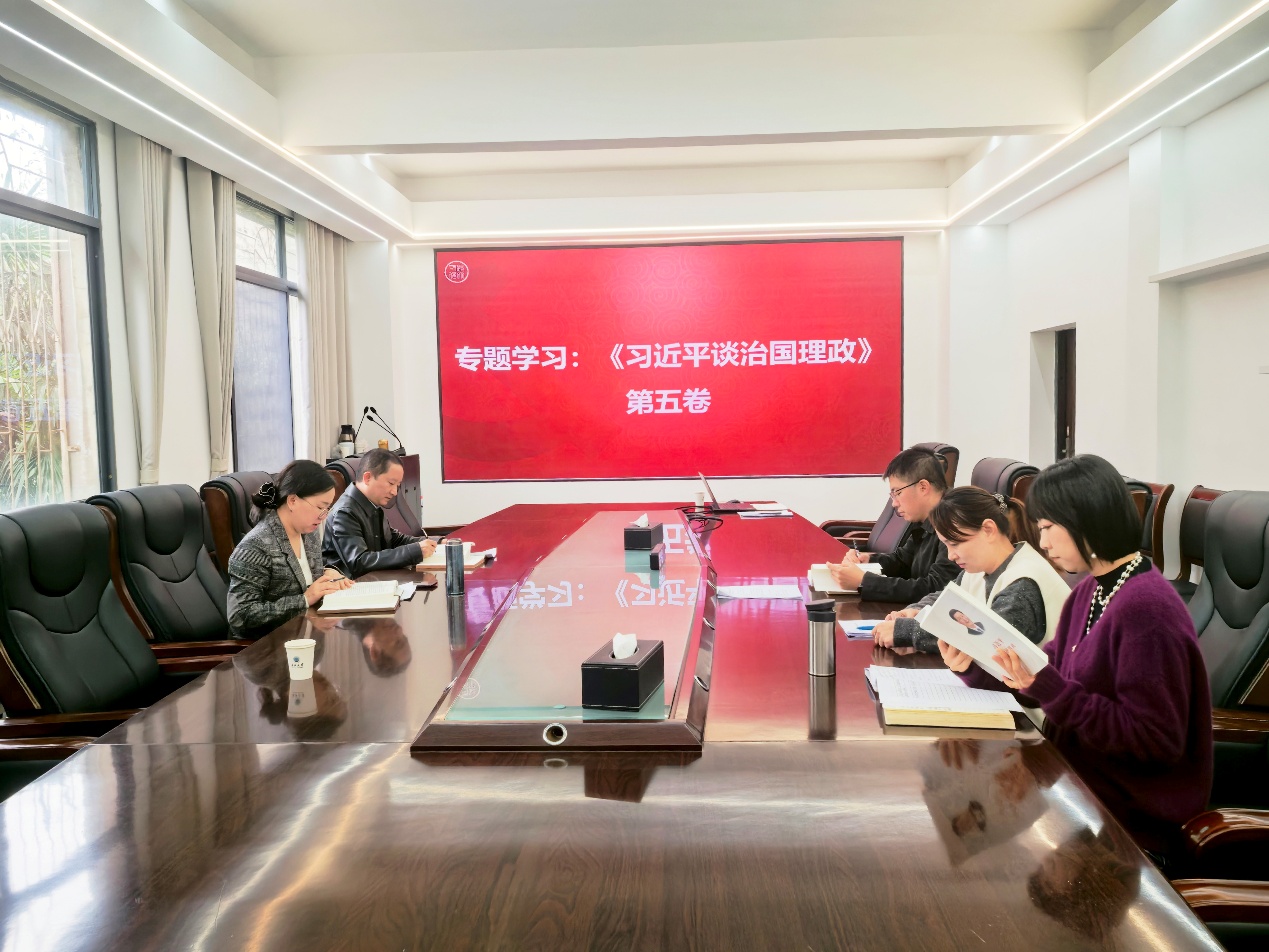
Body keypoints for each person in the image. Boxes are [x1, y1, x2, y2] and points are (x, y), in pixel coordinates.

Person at [938, 454, 1213, 861]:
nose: (1044, 542)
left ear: (1086, 520)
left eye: (1048, 528)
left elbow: (1154, 741)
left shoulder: (1147, 609)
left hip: (1126, 823)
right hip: (1073, 787)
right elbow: (1042, 675)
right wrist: (976, 669)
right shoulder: (1091, 589)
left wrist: (1053, 691)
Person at [871, 486, 1071, 654]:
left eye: (955, 544)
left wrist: (907, 632)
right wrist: (916, 610)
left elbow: (987, 640)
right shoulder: (979, 568)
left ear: (988, 530)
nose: (951, 555)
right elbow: (947, 597)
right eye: (946, 545)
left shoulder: (1023, 582)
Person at [227, 460, 355, 638]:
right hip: (269, 646)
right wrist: (304, 600)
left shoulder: (308, 532)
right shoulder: (255, 546)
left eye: (327, 508)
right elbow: (240, 617)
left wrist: (327, 573)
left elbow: (302, 577)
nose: (323, 516)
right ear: (293, 500)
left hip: (307, 635)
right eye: (320, 507)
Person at [827, 446, 959, 603]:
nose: (894, 503)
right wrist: (868, 560)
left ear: (923, 487)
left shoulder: (954, 522)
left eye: (898, 493)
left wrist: (864, 581)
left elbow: (937, 589)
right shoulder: (924, 519)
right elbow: (903, 561)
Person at [324, 448, 437, 578]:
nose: (394, 492)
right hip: (352, 585)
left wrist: (432, 542)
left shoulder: (372, 503)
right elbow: (359, 562)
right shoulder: (345, 512)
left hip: (376, 580)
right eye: (391, 483)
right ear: (367, 478)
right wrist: (414, 552)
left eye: (397, 485)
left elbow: (393, 539)